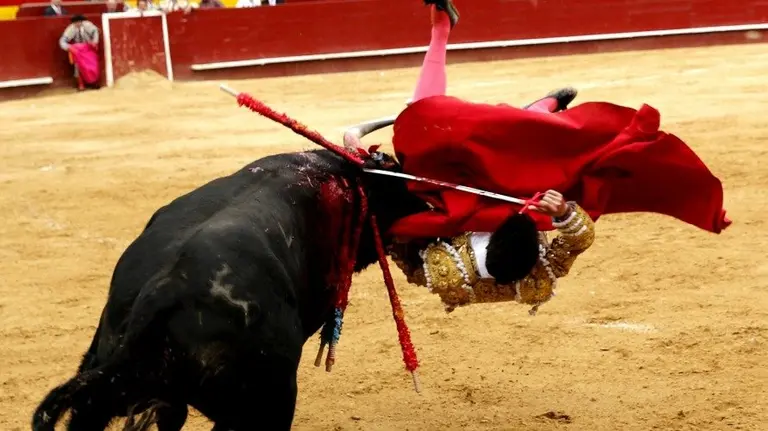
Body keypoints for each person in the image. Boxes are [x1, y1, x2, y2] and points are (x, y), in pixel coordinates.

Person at [345, 0, 729, 313]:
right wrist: (561, 212)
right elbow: (577, 240)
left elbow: (397, 237)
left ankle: (446, 36)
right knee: (539, 152)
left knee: (430, 126)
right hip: (506, 195)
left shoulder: (449, 271)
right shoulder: (538, 275)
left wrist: (375, 168)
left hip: (443, 207)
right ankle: (541, 111)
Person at [59, 15, 100, 91]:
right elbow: (62, 41)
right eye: (75, 22)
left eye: (78, 22)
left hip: (88, 49)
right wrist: (69, 47)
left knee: (92, 65)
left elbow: (95, 32)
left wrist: (95, 42)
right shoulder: (71, 28)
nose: (77, 24)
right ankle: (81, 85)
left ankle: (94, 83)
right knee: (77, 67)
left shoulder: (88, 25)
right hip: (78, 51)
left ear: (82, 21)